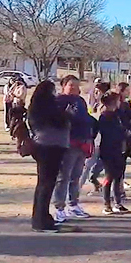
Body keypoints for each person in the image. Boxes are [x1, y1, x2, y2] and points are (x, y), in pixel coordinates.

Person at [28, 79, 71, 231]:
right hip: (50, 146)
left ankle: (41, 217)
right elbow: (58, 121)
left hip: (43, 146)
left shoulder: (36, 106)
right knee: (46, 185)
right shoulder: (47, 107)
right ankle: (41, 221)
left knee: (43, 185)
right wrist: (67, 114)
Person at [53, 76, 94, 222]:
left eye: (77, 86)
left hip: (82, 143)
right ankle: (59, 207)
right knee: (63, 177)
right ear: (63, 86)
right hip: (67, 143)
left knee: (76, 177)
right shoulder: (59, 101)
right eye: (71, 85)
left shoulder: (81, 101)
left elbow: (86, 118)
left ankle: (73, 204)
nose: (75, 88)